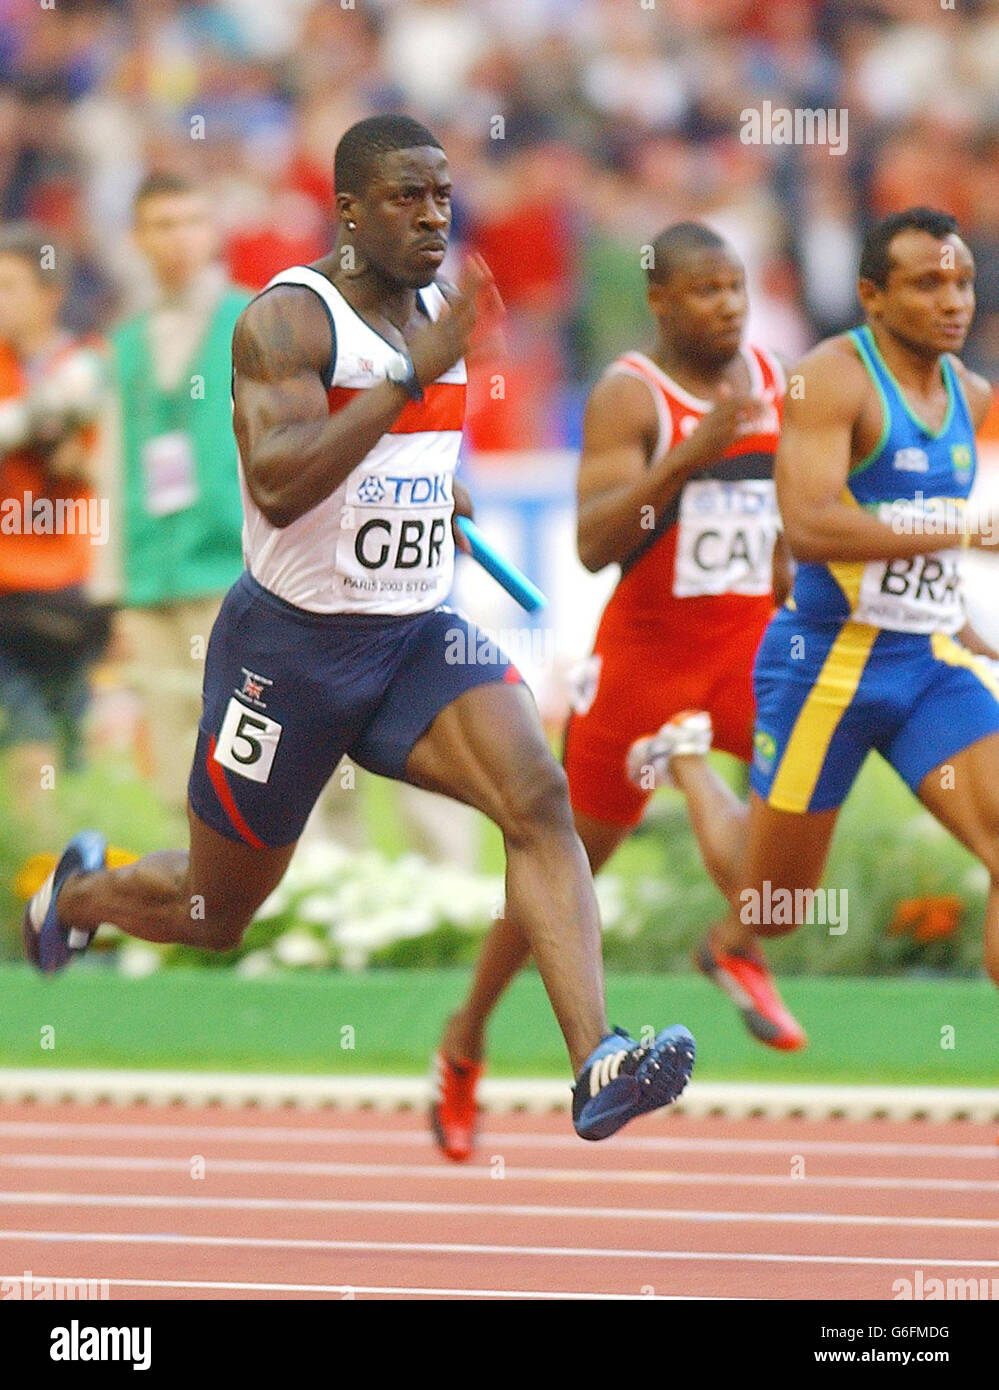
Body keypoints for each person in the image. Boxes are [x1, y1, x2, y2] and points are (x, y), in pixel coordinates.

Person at [22, 115, 695, 1146]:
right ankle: (82, 895)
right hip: (288, 652)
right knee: (217, 913)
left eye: (442, 195)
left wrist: (438, 490)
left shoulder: (435, 310)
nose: (433, 216)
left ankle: (597, 1058)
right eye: (405, 197)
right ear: (346, 207)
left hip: (415, 634)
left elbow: (399, 446)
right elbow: (281, 483)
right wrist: (409, 377)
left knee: (538, 796)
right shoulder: (288, 320)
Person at [431, 222, 794, 1162]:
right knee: (558, 872)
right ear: (661, 302)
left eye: (736, 288)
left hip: (748, 648)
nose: (726, 305)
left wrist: (795, 590)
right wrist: (692, 452)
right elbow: (596, 543)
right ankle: (466, 1035)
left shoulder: (769, 378)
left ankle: (730, 942)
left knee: (798, 828)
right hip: (644, 662)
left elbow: (777, 512)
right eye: (705, 291)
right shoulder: (632, 393)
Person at [641, 206, 999, 1042]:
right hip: (827, 667)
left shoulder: (969, 392)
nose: (952, 301)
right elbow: (808, 525)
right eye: (926, 285)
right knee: (775, 904)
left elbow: (888, 529)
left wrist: (962, 621)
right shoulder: (830, 378)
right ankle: (687, 768)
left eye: (961, 282)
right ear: (871, 296)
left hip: (924, 660)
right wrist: (961, 531)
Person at [107, 173, 251, 812]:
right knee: (171, 754)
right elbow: (111, 466)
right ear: (137, 239)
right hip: (150, 573)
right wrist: (110, 585)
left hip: (233, 567)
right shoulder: (126, 342)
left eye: (192, 221)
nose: (179, 240)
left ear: (213, 231)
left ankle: (290, 897)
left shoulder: (254, 318)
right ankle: (191, 904)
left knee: (252, 750)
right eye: (162, 225)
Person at [0, 223, 109, 840]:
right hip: (7, 587)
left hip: (72, 587)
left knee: (71, 745)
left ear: (50, 294)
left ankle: (67, 885)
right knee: (27, 739)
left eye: (11, 286)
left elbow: (106, 463)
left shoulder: (92, 360)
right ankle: (37, 878)